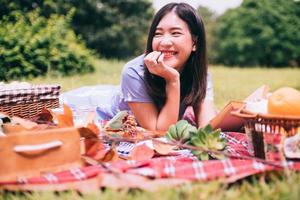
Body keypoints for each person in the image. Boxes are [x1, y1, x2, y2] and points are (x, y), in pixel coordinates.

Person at [96, 2, 217, 130]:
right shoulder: (134, 72)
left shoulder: (199, 72)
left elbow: (207, 127)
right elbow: (160, 133)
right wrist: (172, 80)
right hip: (108, 117)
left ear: (195, 43)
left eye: (175, 33)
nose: (164, 42)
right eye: (158, 34)